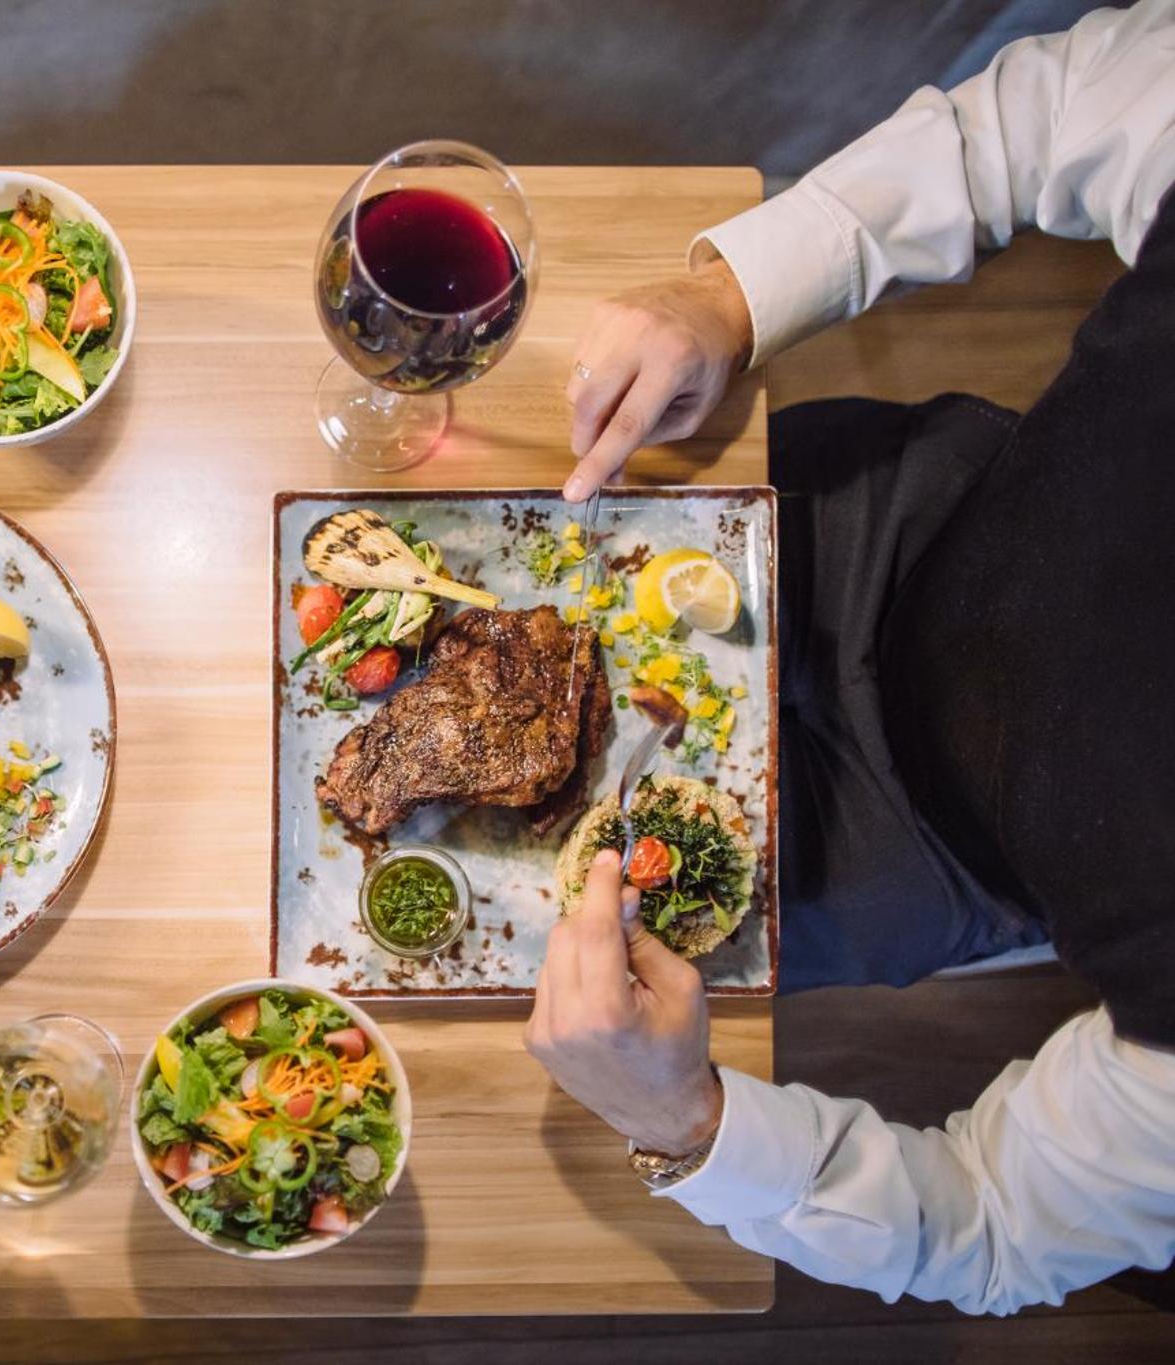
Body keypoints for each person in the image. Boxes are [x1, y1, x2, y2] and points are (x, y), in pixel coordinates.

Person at [526, 2, 1175, 1314]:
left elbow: (988, 1227)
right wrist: (731, 295)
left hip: (929, 844)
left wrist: (685, 1122)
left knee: (562, 977)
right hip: (913, 508)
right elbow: (1042, 115)